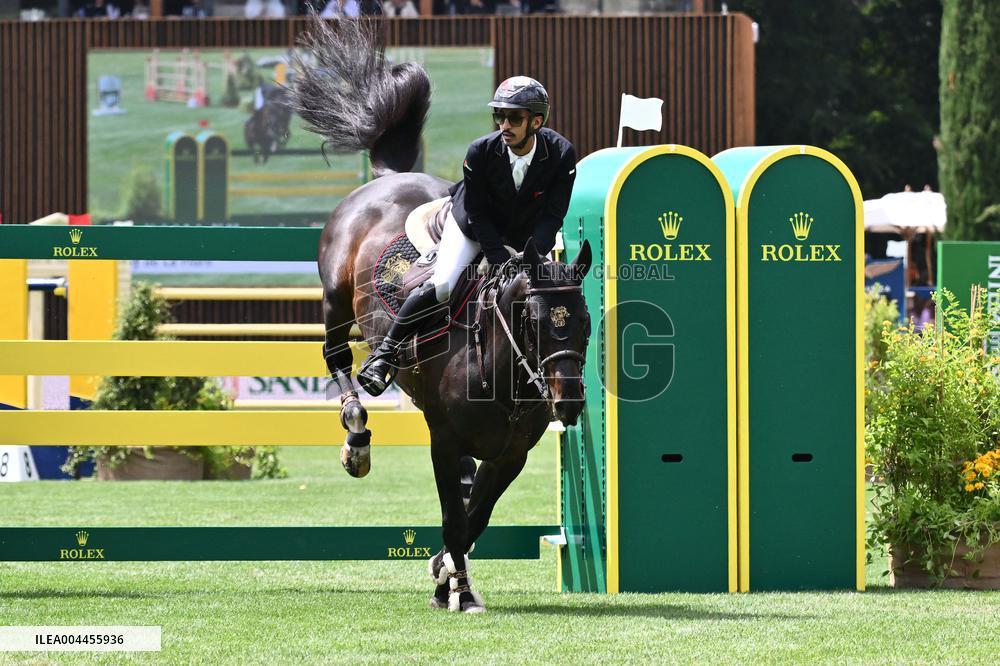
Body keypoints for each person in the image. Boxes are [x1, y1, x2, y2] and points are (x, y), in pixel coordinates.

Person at [357, 76, 578, 396]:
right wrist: (500, 258)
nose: (504, 124)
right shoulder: (480, 152)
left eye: (514, 118)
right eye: (499, 116)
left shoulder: (561, 154)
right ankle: (385, 355)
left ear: (536, 121)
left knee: (548, 292)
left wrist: (530, 256)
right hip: (473, 227)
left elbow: (553, 215)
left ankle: (552, 376)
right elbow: (478, 214)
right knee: (444, 284)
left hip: (525, 236)